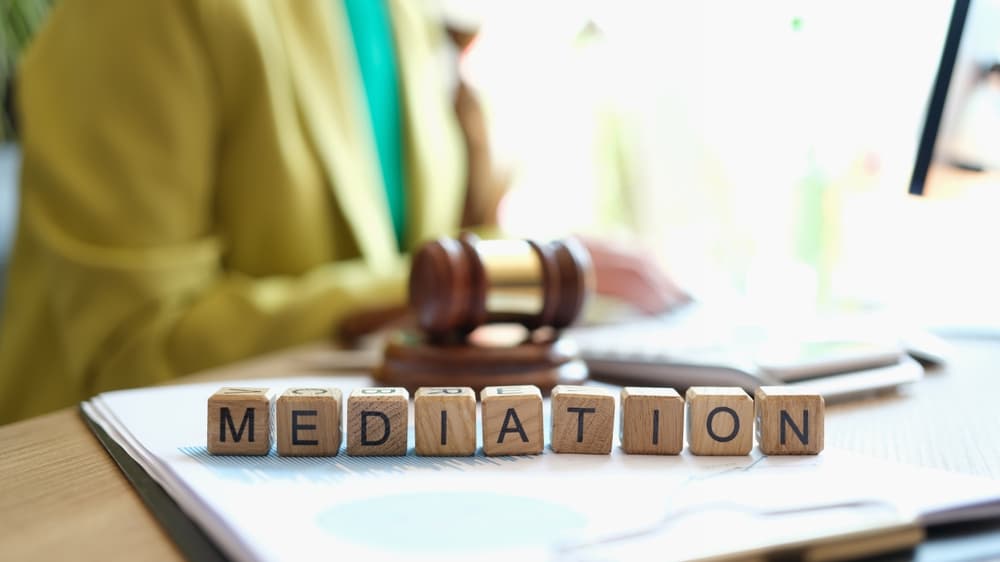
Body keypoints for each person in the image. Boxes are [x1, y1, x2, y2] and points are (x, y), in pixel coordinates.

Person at [0, 0, 685, 424]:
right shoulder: (138, 12)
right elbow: (136, 350)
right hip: (101, 494)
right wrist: (493, 278)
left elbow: (420, 247)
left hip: (348, 462)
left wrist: (541, 264)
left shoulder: (407, 16)